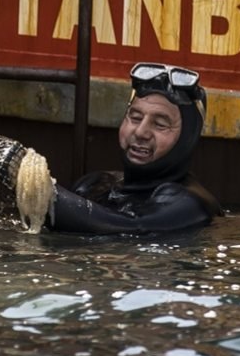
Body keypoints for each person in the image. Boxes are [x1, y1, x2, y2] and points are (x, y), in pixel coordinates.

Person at [48, 63, 223, 234]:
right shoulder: (92, 185)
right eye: (135, 118)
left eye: (160, 125)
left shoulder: (190, 204)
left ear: (187, 138)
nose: (141, 132)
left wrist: (42, 191)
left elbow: (134, 226)